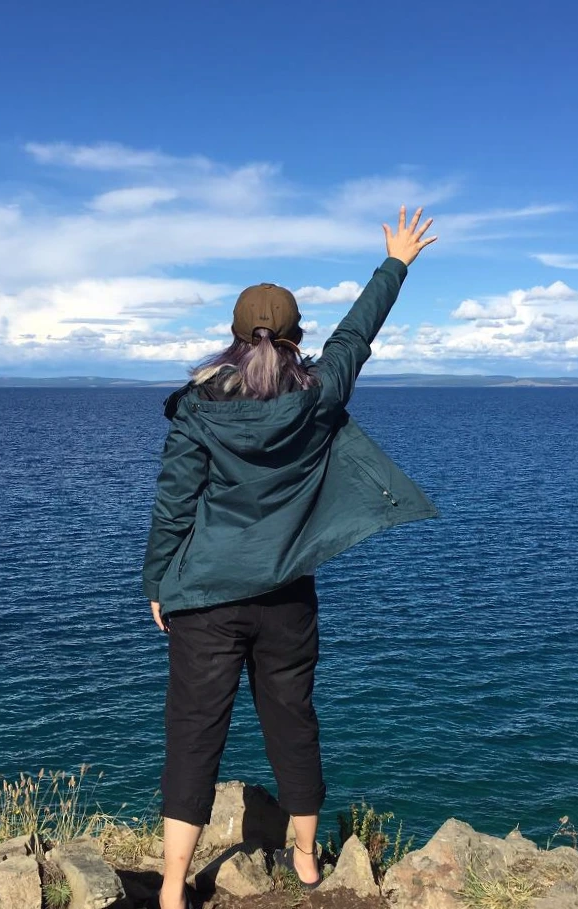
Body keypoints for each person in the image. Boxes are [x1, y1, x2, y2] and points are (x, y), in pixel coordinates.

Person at [143, 206, 440, 909]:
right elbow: (355, 335)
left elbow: (173, 507)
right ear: (297, 336)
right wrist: (396, 263)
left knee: (193, 736)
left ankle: (173, 888)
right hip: (287, 600)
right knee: (292, 722)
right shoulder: (319, 394)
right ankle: (306, 861)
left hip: (204, 600)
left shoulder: (198, 409)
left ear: (233, 334)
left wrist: (158, 583)